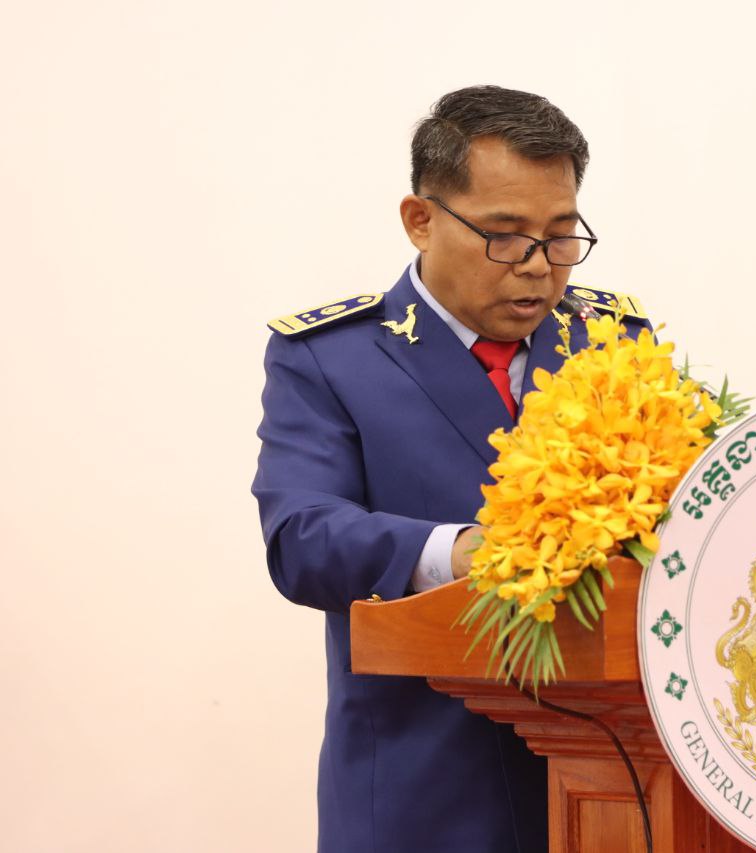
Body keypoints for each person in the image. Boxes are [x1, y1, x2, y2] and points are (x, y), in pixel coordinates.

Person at [251, 85, 648, 853]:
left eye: (560, 236)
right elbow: (301, 538)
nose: (538, 268)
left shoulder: (609, 340)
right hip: (422, 794)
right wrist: (460, 552)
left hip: (608, 789)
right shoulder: (332, 358)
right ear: (421, 219)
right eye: (505, 236)